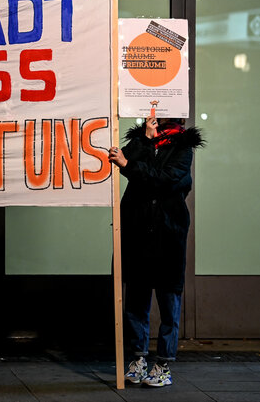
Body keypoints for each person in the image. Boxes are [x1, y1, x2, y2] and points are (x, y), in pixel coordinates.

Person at [108, 117, 204, 388]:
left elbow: (167, 180)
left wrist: (130, 167)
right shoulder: (142, 140)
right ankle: (138, 358)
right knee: (136, 300)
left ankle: (163, 364)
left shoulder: (183, 147)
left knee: (168, 301)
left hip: (168, 234)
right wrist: (145, 139)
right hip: (138, 232)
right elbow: (123, 159)